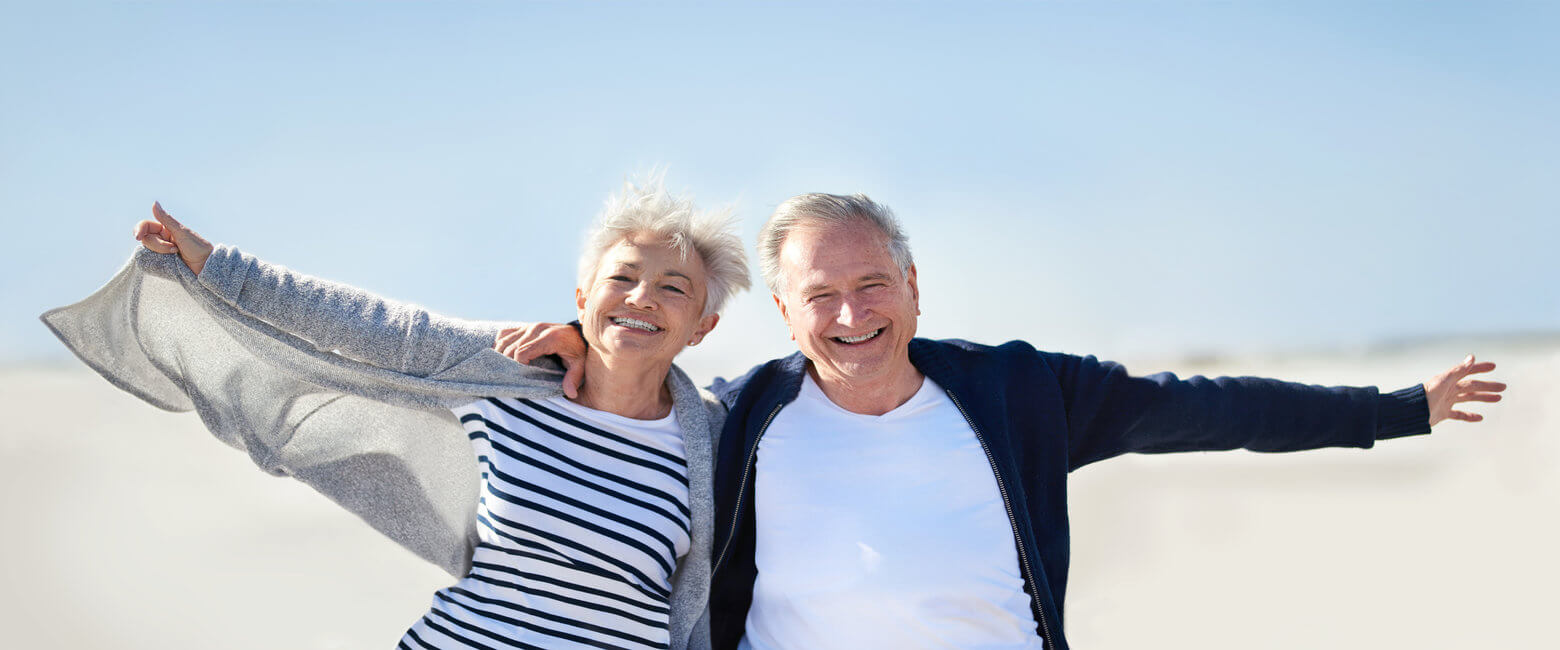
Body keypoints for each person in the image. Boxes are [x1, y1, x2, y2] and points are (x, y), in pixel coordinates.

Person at [498, 192, 1507, 650]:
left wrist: (1397, 409)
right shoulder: (741, 415)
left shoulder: (1021, 395)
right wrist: (576, 343)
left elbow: (1207, 408)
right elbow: (617, 415)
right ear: (782, 310)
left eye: (871, 283)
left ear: (914, 286)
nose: (851, 315)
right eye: (820, 295)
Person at [42, 179, 750, 649]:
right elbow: (378, 327)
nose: (640, 297)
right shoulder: (503, 375)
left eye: (673, 287)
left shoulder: (717, 440)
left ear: (702, 328)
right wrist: (220, 269)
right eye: (621, 278)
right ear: (582, 295)